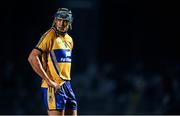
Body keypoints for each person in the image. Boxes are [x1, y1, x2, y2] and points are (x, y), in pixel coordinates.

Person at [28, 8, 77, 115]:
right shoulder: (50, 35)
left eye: (65, 21)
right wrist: (49, 81)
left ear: (69, 22)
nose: (61, 23)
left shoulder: (69, 39)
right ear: (55, 20)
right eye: (59, 20)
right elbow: (32, 57)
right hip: (54, 87)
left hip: (67, 85)